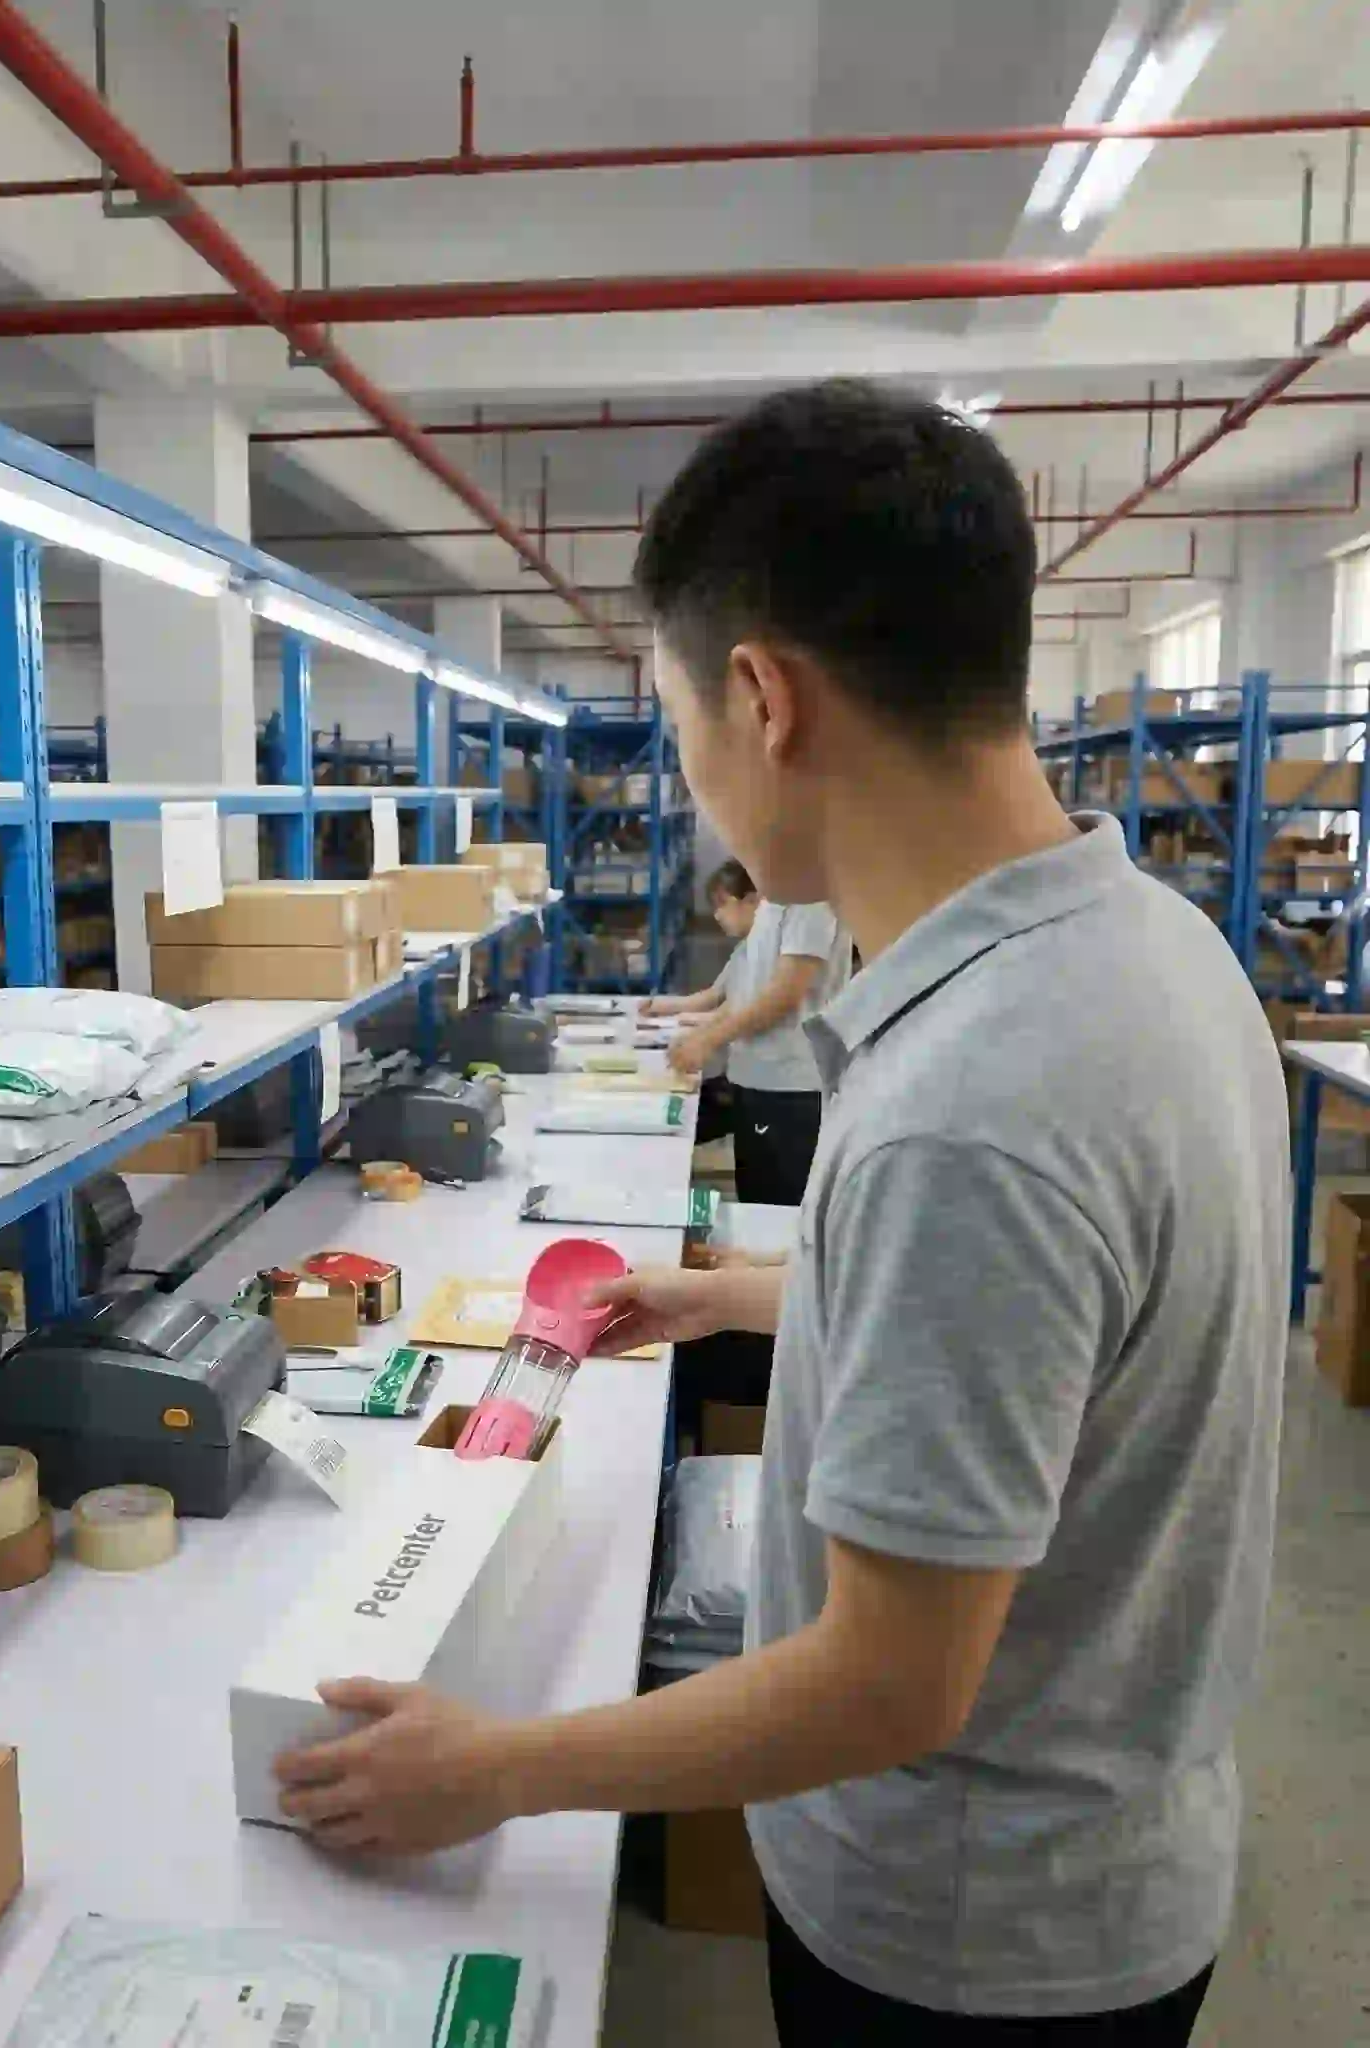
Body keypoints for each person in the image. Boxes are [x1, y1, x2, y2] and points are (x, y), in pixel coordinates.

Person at [273, 380, 1285, 2046]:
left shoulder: (971, 1099)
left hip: (966, 1937)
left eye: (675, 724)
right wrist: (745, 1292)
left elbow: (888, 1681)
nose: (687, 781)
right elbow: (1070, 1324)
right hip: (1108, 1847)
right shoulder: (1145, 946)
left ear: (759, 697)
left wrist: (496, 1767)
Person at [664, 877, 850, 1208]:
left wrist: (709, 1041)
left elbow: (784, 995)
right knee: (755, 1198)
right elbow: (745, 994)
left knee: (779, 1210)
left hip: (790, 1087)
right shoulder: (770, 903)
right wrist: (701, 1035)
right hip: (755, 1078)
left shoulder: (810, 899)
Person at [639, 858, 758, 1151]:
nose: (717, 915)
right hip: (738, 1072)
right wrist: (660, 1006)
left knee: (677, 1119)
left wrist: (702, 1035)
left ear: (752, 901)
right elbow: (714, 996)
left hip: (753, 1080)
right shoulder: (746, 949)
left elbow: (739, 1009)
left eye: (723, 904)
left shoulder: (763, 950)